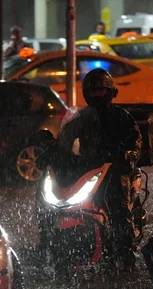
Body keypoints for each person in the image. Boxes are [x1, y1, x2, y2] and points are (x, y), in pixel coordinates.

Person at [56, 68, 142, 268]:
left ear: (110, 93)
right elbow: (65, 141)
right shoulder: (81, 119)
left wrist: (127, 154)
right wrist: (51, 153)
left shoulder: (121, 117)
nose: (97, 95)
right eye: (93, 91)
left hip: (114, 169)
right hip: (88, 170)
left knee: (118, 207)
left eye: (101, 91)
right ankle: (48, 245)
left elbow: (135, 142)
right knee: (53, 203)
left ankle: (126, 253)